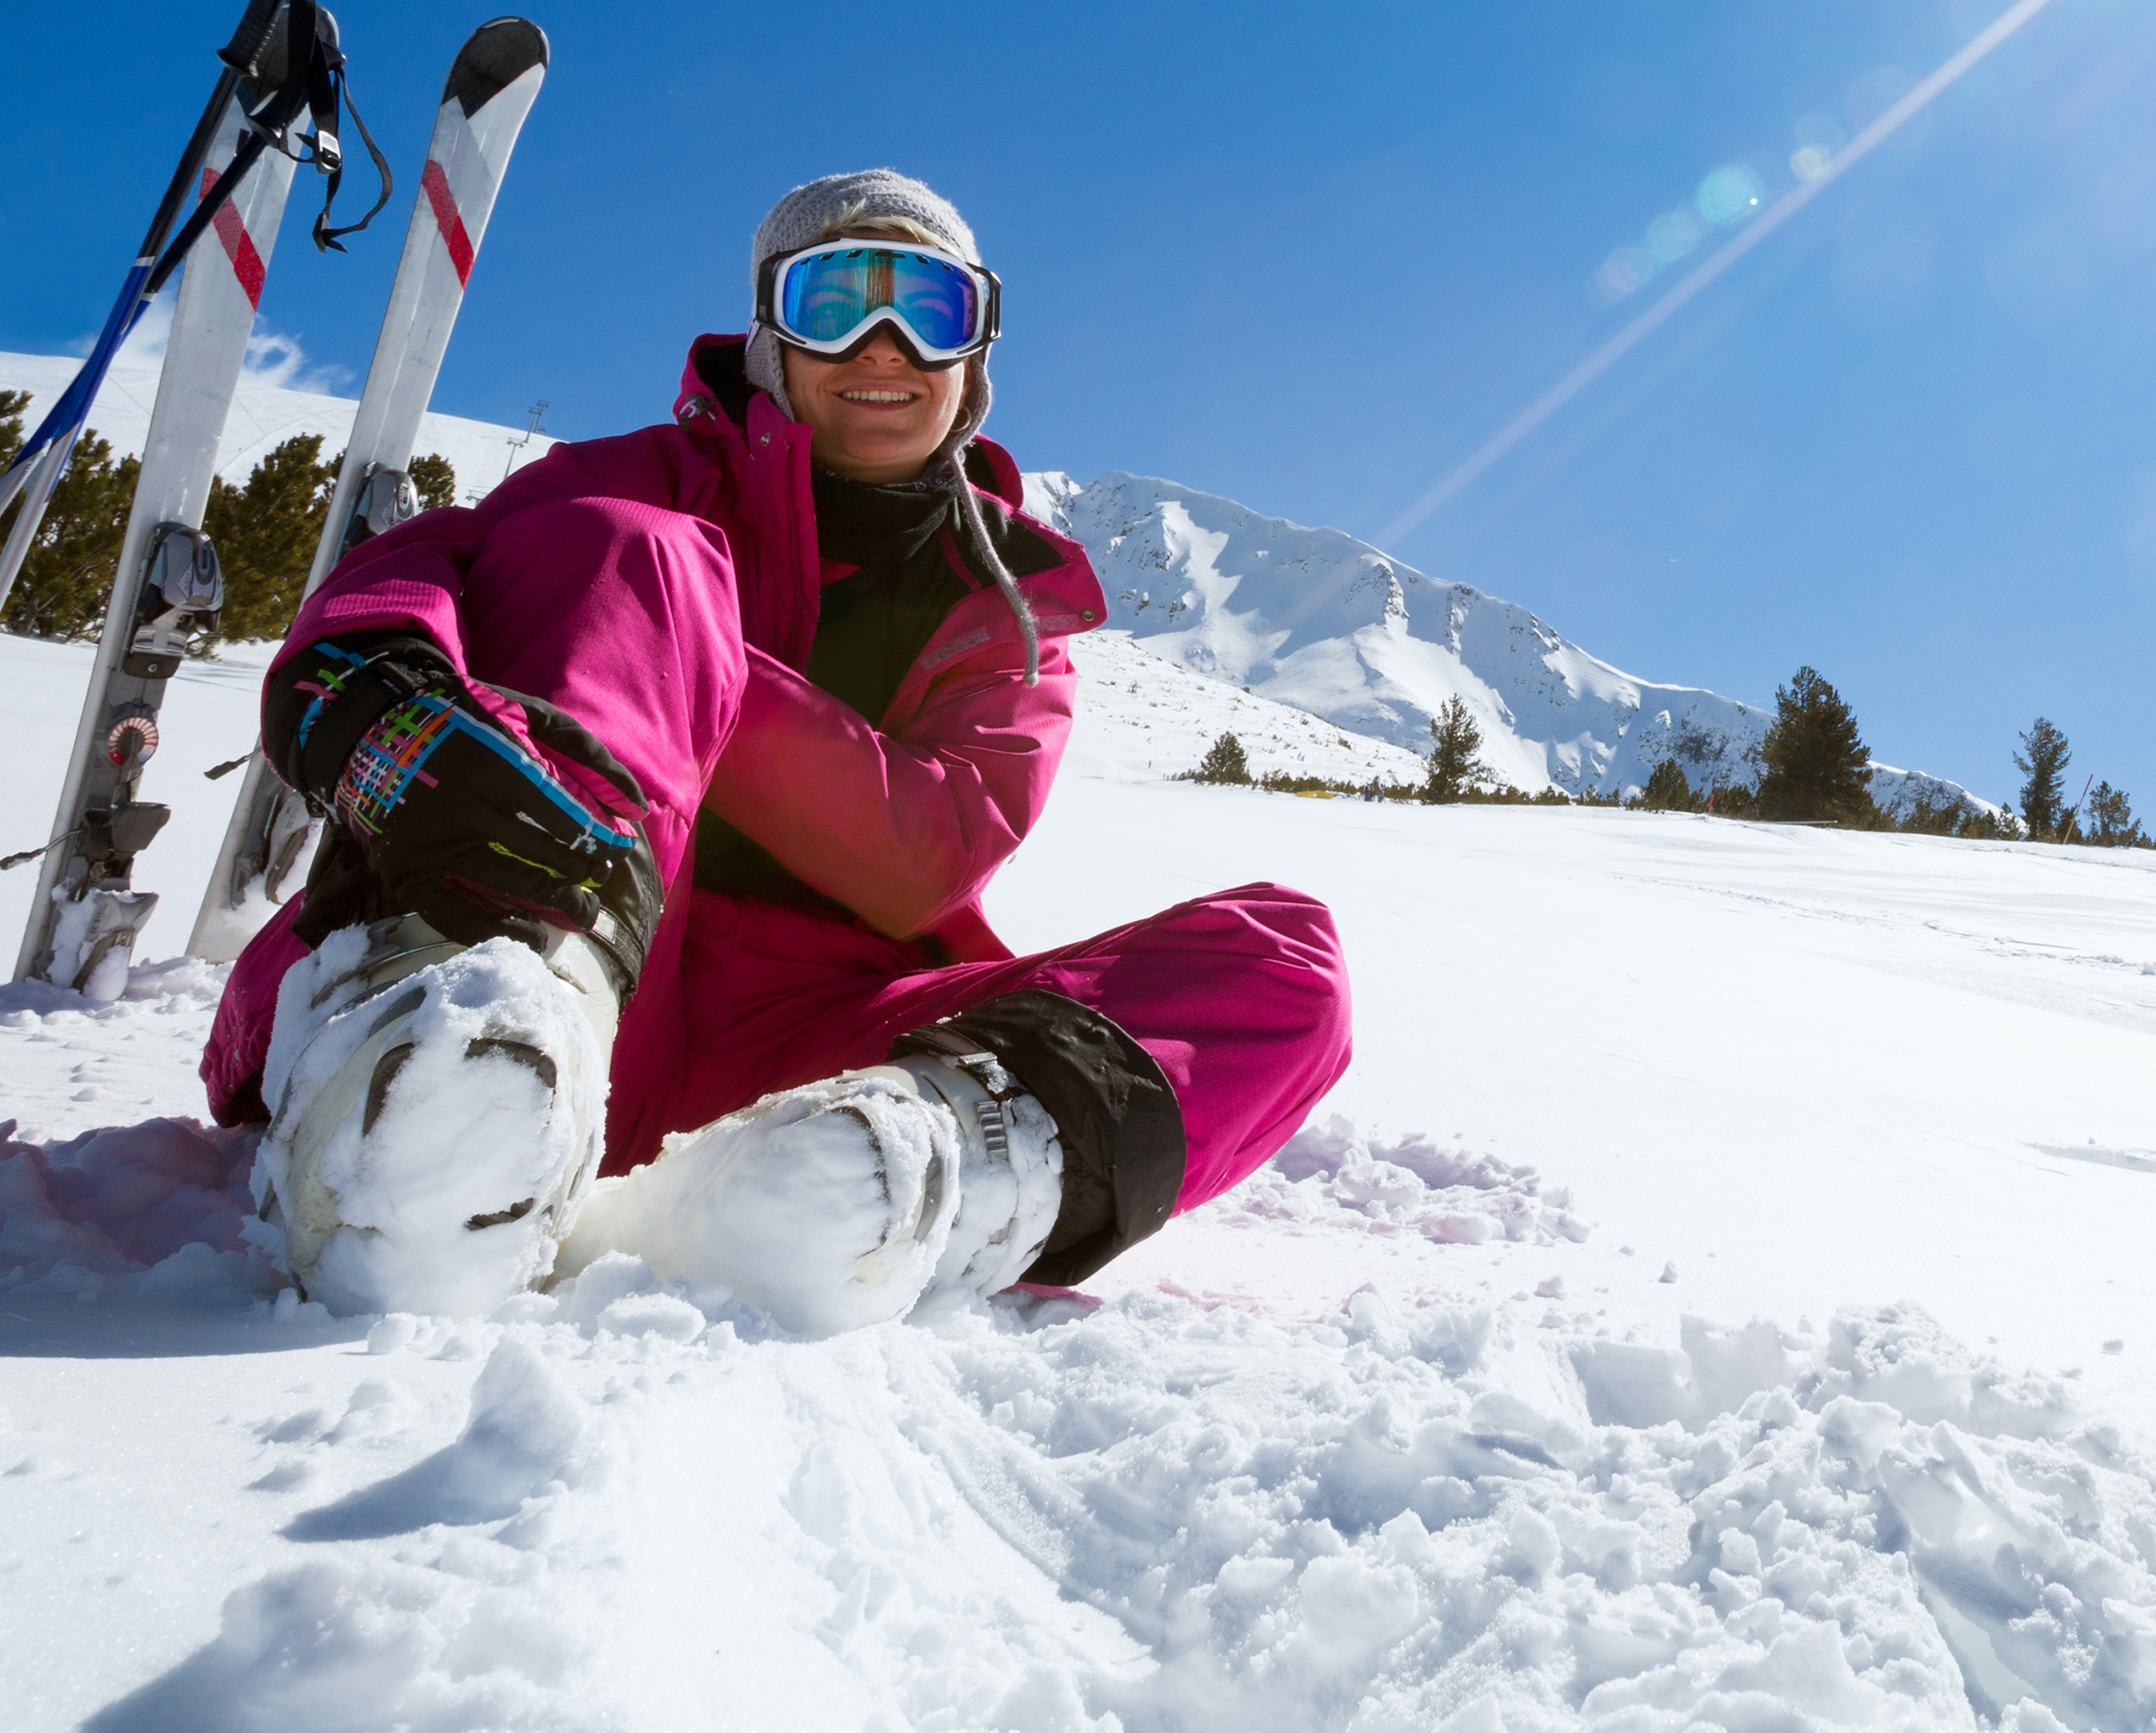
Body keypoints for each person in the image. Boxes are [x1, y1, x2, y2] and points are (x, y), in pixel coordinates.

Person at [197, 167, 1351, 1324]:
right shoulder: (636, 486)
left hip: (810, 1052)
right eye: (837, 302)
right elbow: (431, 559)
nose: (884, 347)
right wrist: (369, 662)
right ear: (769, 336)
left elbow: (927, 856)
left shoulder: (1005, 611)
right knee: (631, 551)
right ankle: (450, 1088)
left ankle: (890, 1176)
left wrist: (708, 667)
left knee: (1288, 967)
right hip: (570, 953)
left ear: (975, 353)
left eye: (930, 312)